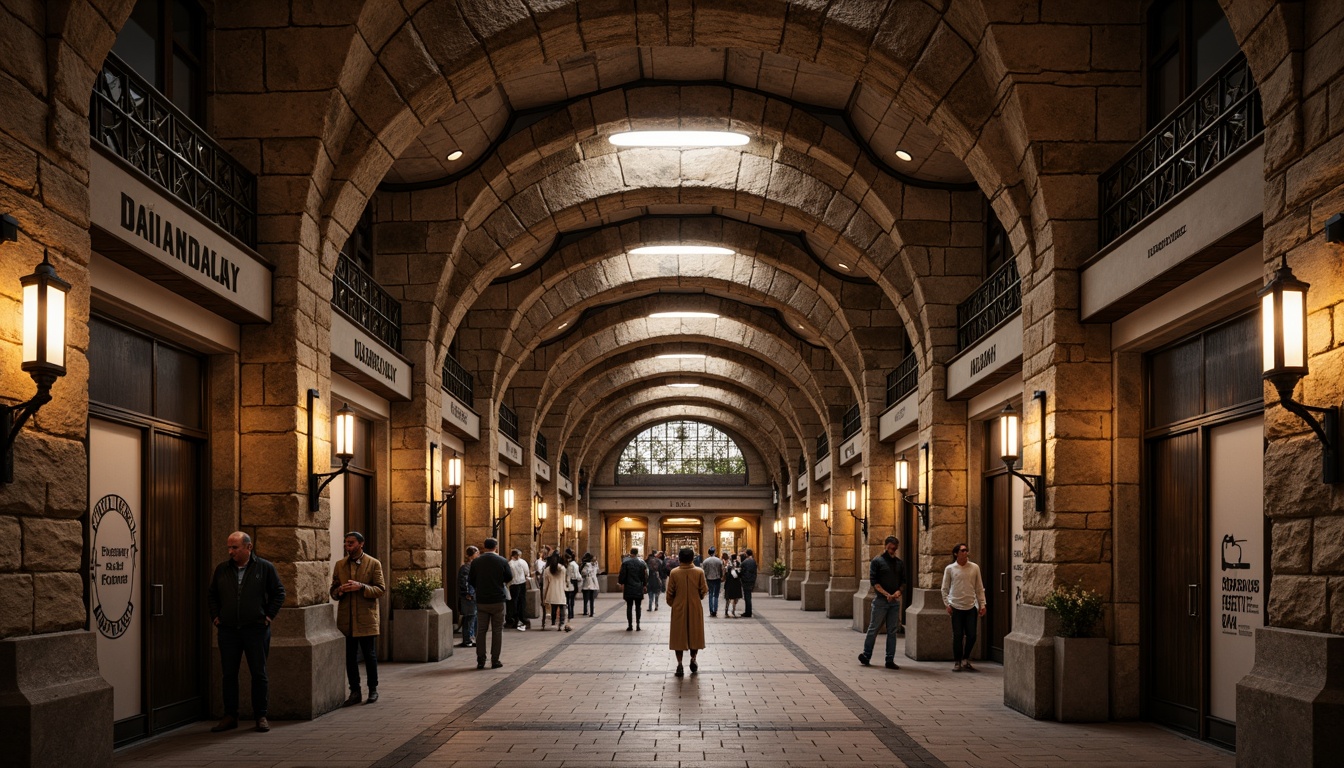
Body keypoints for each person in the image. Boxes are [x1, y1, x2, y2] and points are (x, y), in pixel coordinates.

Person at [207, 531, 285, 734]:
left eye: (235, 547)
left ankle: (261, 715)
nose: (230, 551)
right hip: (228, 631)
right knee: (229, 674)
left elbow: (279, 593)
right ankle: (230, 716)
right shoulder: (222, 569)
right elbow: (212, 595)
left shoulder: (264, 568)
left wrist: (267, 617)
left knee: (259, 673)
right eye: (229, 547)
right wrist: (216, 616)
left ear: (248, 547)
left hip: (256, 630)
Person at [330, 531, 386, 706]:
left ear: (361, 544)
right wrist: (340, 591)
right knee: (350, 657)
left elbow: (380, 589)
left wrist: (361, 586)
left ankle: (373, 689)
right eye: (346, 543)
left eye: (351, 543)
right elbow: (333, 590)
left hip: (366, 618)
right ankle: (355, 691)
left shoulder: (373, 563)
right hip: (347, 619)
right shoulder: (340, 565)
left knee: (369, 655)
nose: (348, 546)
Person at [858, 535, 905, 670]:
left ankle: (889, 659)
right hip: (880, 601)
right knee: (873, 629)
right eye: (890, 548)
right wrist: (886, 594)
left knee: (892, 631)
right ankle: (866, 656)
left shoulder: (899, 563)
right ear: (886, 546)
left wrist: (898, 592)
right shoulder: (877, 562)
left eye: (894, 549)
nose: (892, 551)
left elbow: (903, 582)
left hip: (894, 602)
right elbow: (874, 582)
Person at [467, 537, 513, 669]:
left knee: (481, 630)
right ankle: (495, 660)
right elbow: (509, 577)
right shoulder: (502, 561)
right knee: (497, 630)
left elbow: (471, 579)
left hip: (482, 600)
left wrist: (479, 588)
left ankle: (481, 659)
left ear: (484, 547)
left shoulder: (476, 562)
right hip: (498, 599)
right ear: (496, 547)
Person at [942, 542, 987, 672]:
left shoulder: (974, 567)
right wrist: (947, 604)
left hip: (971, 606)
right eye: (962, 551)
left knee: (972, 635)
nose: (965, 553)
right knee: (957, 635)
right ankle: (957, 661)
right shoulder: (950, 569)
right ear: (956, 553)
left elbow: (979, 587)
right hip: (955, 606)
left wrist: (982, 604)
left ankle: (965, 658)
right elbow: (944, 588)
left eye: (966, 550)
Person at [665, 547, 708, 677]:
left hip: (679, 607)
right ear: (692, 558)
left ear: (680, 558)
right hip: (695, 607)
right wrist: (697, 597)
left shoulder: (674, 573)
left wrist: (674, 603)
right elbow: (704, 590)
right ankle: (693, 659)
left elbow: (669, 593)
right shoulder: (699, 572)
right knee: (694, 634)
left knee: (679, 635)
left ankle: (679, 664)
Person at [617, 547, 648, 631]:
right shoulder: (641, 564)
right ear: (637, 553)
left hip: (629, 587)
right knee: (638, 607)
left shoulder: (626, 564)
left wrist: (621, 583)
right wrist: (644, 585)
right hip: (638, 587)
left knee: (629, 607)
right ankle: (638, 625)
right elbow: (644, 577)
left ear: (631, 553)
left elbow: (622, 576)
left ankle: (630, 625)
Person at [542, 552, 570, 632]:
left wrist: (544, 597)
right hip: (561, 590)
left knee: (553, 607)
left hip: (551, 592)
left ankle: (553, 622)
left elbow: (545, 585)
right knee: (562, 607)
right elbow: (566, 581)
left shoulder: (547, 570)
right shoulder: (562, 568)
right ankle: (561, 623)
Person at [457, 546, 478, 647]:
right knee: (469, 617)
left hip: (473, 595)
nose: (478, 555)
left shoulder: (472, 566)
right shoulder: (466, 567)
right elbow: (464, 582)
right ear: (472, 555)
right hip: (469, 597)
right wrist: (468, 593)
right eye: (476, 553)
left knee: (472, 617)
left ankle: (471, 637)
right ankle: (467, 639)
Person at [507, 548, 530, 631]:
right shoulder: (522, 562)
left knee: (514, 602)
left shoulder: (510, 564)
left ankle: (514, 619)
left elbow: (509, 575)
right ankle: (522, 618)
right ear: (517, 555)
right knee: (522, 601)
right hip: (522, 582)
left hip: (513, 584)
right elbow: (527, 572)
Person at [701, 547, 724, 617]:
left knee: (710, 594)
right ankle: (715, 610)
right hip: (717, 578)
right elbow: (721, 570)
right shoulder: (719, 561)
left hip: (709, 579)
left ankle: (711, 610)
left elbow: (703, 571)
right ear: (714, 552)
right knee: (716, 595)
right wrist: (721, 576)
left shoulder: (705, 561)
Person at [723, 552, 743, 617]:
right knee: (735, 598)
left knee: (728, 598)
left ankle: (726, 611)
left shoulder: (728, 565)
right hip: (736, 583)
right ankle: (733, 611)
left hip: (729, 583)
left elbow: (725, 574)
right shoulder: (739, 564)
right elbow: (740, 575)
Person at [739, 549, 757, 618]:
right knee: (748, 596)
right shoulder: (754, 562)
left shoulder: (745, 562)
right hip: (751, 580)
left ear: (746, 554)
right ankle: (748, 611)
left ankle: (748, 612)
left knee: (747, 597)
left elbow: (741, 571)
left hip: (746, 581)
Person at [565, 551, 580, 619]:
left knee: (569, 599)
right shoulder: (576, 564)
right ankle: (572, 612)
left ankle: (570, 613)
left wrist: (568, 583)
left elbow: (568, 575)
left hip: (571, 581)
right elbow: (578, 574)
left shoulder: (570, 565)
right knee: (572, 599)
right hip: (575, 581)